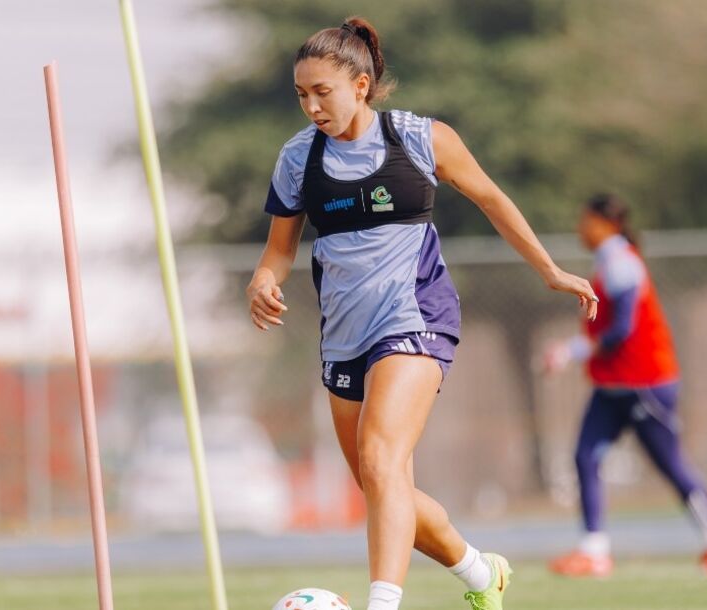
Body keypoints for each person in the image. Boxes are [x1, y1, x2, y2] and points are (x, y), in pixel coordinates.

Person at [246, 16, 598, 610]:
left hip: (416, 317)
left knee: (384, 459)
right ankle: (482, 574)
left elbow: (492, 198)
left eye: (321, 92)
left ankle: (383, 604)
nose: (311, 106)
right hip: (344, 337)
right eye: (301, 94)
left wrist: (549, 270)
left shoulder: (418, 138)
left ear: (360, 85)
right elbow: (278, 252)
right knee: (380, 483)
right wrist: (262, 281)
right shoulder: (297, 159)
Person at [543, 194, 707, 579]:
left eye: (586, 221)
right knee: (585, 456)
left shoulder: (621, 264)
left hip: (644, 383)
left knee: (670, 463)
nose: (580, 229)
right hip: (613, 385)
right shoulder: (606, 261)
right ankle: (594, 552)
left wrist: (569, 351)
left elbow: (621, 331)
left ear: (608, 224)